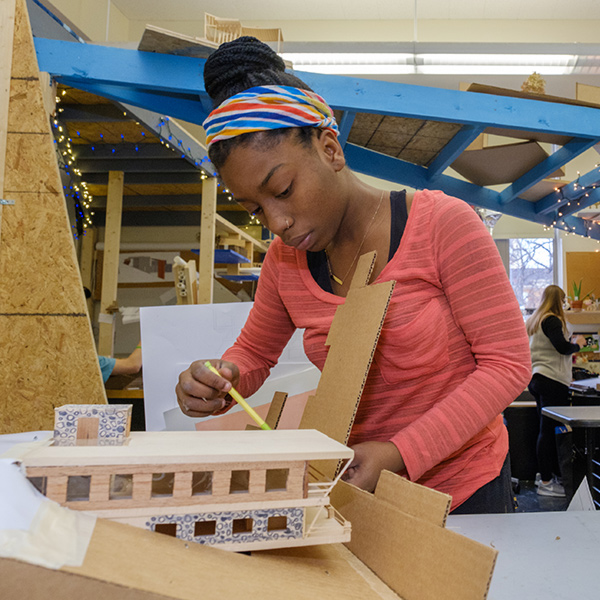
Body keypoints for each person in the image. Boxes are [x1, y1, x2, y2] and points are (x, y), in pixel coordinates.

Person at [176, 37, 531, 513]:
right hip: (363, 490)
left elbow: (506, 365)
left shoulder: (441, 224)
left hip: (463, 488)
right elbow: (254, 353)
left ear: (329, 148)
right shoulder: (284, 262)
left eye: (282, 189)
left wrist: (401, 454)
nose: (276, 222)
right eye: (254, 209)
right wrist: (221, 379)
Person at [526, 285, 585, 498]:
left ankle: (544, 476)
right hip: (552, 380)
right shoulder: (552, 320)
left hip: (537, 377)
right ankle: (547, 482)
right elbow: (562, 347)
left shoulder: (533, 321)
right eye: (563, 301)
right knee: (550, 431)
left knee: (546, 430)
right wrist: (577, 344)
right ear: (558, 301)